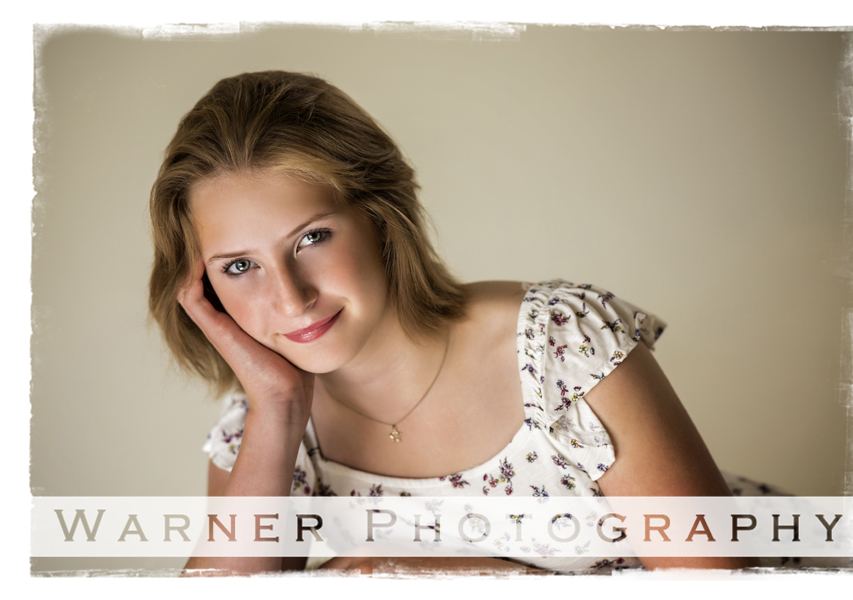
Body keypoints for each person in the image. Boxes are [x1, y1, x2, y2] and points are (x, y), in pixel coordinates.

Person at [149, 71, 753, 575]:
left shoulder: (560, 346)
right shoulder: (261, 431)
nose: (291, 297)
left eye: (312, 237)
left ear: (380, 218)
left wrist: (443, 574)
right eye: (239, 266)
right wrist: (279, 408)